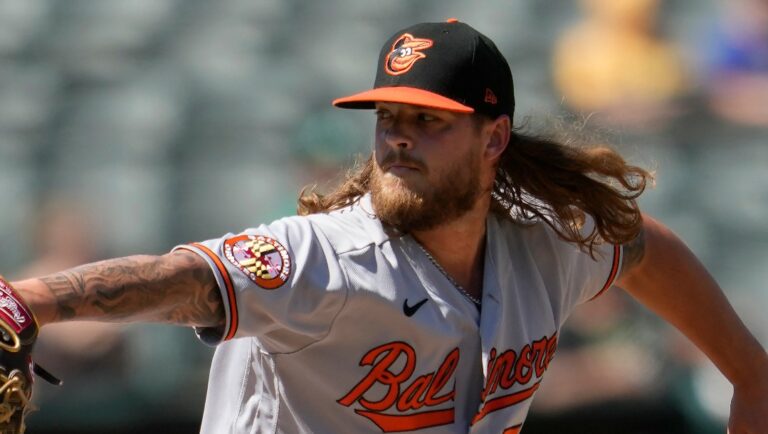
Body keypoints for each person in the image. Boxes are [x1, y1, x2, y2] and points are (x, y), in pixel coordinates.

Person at [1, 19, 766, 434]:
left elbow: (636, 243)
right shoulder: (325, 258)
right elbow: (190, 281)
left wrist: (749, 371)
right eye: (389, 118)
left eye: (429, 121)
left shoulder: (550, 246)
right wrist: (32, 299)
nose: (398, 136)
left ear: (493, 139)